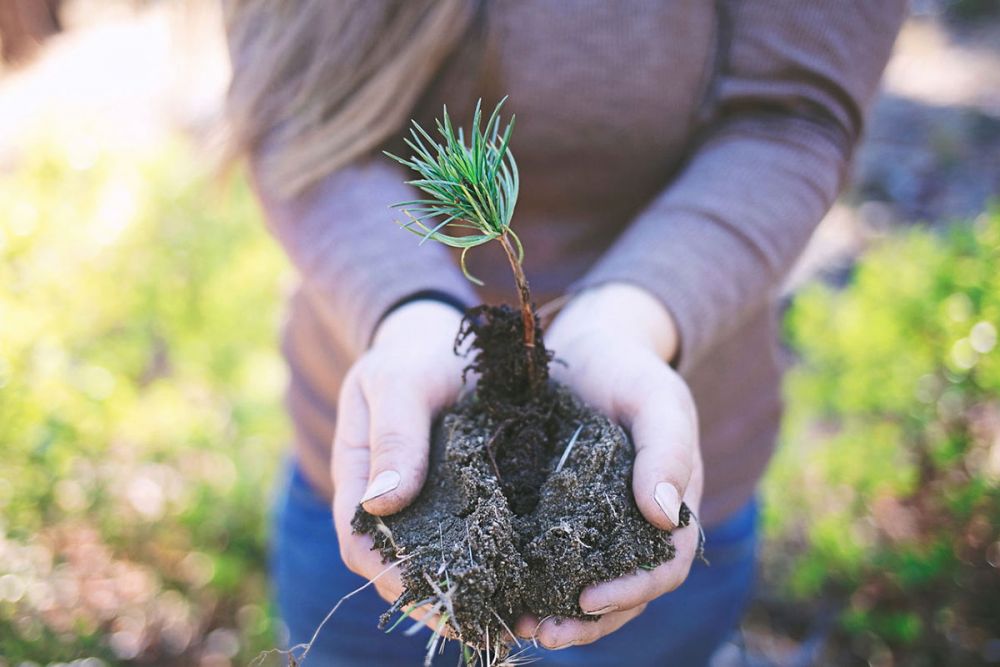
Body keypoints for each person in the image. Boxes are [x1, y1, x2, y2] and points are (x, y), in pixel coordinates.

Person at [223, 2, 906, 664]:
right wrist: (409, 312)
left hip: (658, 451)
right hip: (364, 454)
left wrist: (628, 320)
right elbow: (291, 109)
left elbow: (791, 119)